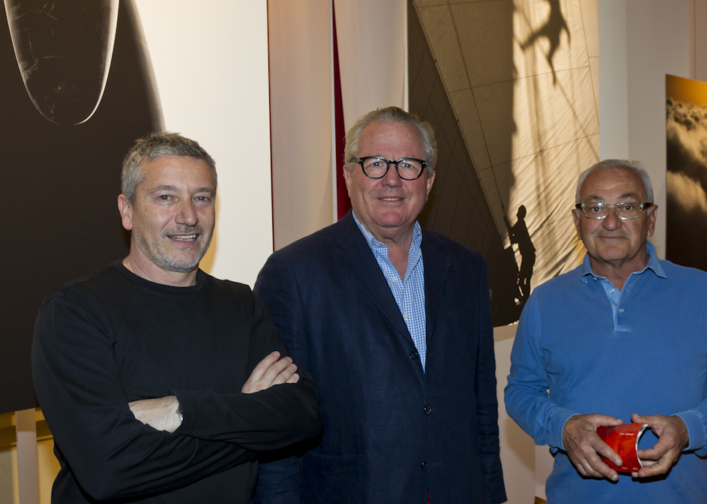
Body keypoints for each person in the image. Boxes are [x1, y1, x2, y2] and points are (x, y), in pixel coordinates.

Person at [32, 133, 321, 503]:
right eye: (166, 197)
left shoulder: (240, 304)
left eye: (201, 198)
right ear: (127, 210)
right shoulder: (74, 312)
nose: (188, 216)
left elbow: (303, 415)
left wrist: (179, 409)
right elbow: (110, 469)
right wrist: (250, 420)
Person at [253, 107, 506, 503]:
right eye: (375, 163)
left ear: (429, 179)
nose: (392, 179)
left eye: (408, 165)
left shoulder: (467, 267)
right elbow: (276, 421)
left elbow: (481, 406)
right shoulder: (294, 274)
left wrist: (491, 494)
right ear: (348, 174)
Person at [504, 159, 707, 503]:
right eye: (595, 207)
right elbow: (521, 392)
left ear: (650, 218)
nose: (611, 222)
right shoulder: (544, 302)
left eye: (627, 207)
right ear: (577, 221)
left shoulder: (704, 293)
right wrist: (562, 428)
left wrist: (689, 429)